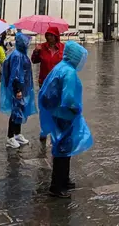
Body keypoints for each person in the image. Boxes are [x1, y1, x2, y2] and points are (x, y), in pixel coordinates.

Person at [39, 41, 93, 198]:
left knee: (63, 147)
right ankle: (57, 186)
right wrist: (75, 108)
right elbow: (68, 97)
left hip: (57, 112)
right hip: (64, 114)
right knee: (63, 149)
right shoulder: (69, 72)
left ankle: (64, 179)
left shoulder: (60, 66)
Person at [0, 33, 37, 149]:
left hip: (23, 88)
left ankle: (17, 134)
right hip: (18, 89)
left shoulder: (21, 54)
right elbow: (15, 75)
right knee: (15, 111)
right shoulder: (17, 56)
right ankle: (10, 137)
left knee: (19, 110)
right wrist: (17, 90)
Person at [32, 27, 65, 143]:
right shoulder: (42, 48)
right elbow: (34, 61)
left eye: (51, 35)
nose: (48, 37)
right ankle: (44, 129)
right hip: (44, 82)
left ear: (56, 36)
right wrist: (36, 51)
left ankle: (56, 130)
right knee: (45, 108)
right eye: (47, 35)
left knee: (57, 107)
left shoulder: (62, 48)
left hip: (58, 84)